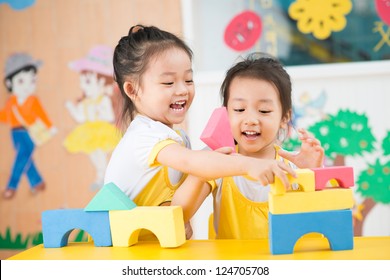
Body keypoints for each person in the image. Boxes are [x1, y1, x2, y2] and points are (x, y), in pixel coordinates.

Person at [104, 25, 296, 239]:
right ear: (132, 90)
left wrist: (178, 218)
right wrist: (249, 164)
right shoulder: (143, 137)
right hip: (118, 243)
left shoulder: (179, 140)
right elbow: (194, 164)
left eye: (188, 80)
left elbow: (183, 194)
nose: (182, 90)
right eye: (168, 82)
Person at [207, 53, 325, 239]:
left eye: (263, 111)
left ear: (284, 117)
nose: (251, 120)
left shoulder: (295, 166)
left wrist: (311, 173)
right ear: (226, 113)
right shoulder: (219, 162)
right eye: (239, 109)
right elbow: (183, 211)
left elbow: (322, 225)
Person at [0, 53, 57, 199]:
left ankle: (11, 186)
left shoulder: (33, 100)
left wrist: (50, 127)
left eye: (31, 81)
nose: (27, 86)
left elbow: (42, 115)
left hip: (30, 133)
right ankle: (37, 182)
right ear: (9, 83)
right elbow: (5, 116)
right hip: (15, 133)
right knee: (26, 158)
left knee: (22, 157)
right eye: (20, 81)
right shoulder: (11, 102)